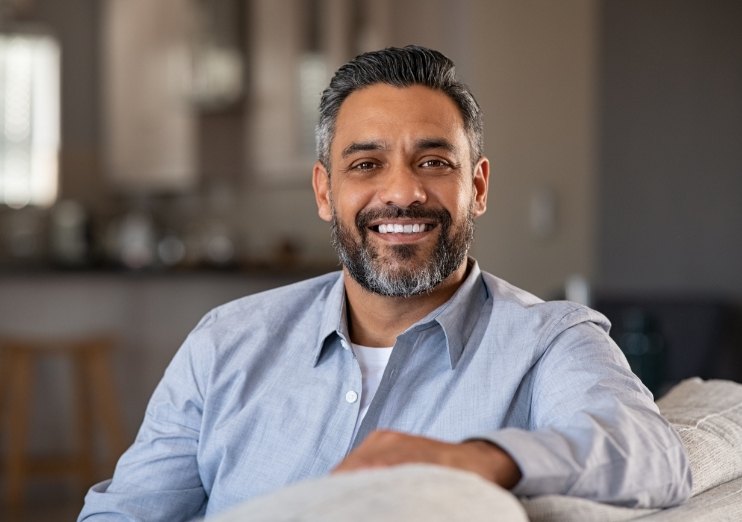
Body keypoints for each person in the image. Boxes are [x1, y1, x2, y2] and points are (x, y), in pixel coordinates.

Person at [78, 45, 691, 521]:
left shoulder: (549, 341)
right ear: (325, 191)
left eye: (433, 162)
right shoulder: (226, 341)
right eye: (366, 165)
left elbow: (653, 456)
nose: (401, 192)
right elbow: (127, 512)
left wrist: (471, 459)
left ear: (476, 187)